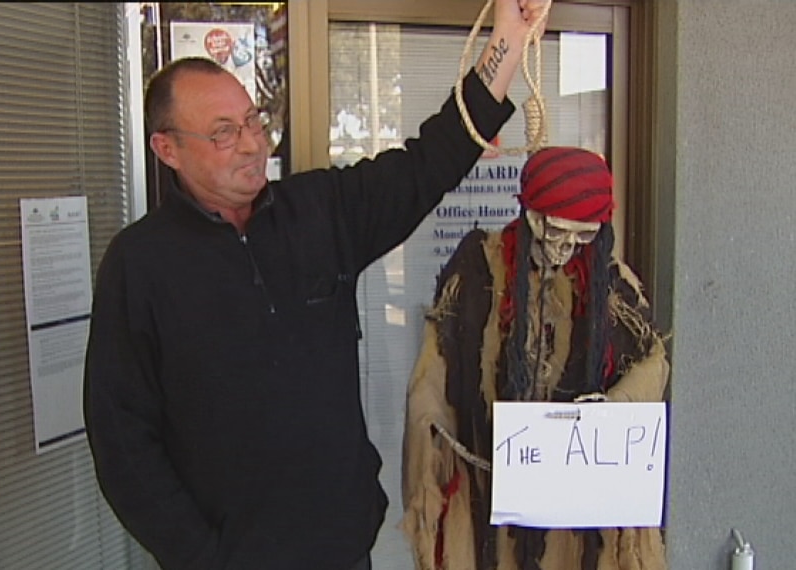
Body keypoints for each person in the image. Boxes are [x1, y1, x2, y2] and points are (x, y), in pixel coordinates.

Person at [82, 1, 550, 568]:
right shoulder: (140, 264)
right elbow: (121, 440)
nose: (254, 144)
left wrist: (507, 41)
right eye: (224, 133)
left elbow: (429, 163)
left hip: (344, 551)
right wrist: (202, 556)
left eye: (253, 120)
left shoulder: (320, 213)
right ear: (167, 148)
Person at [401, 147, 670, 569]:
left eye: (584, 236)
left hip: (578, 517)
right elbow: (433, 373)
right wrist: (436, 435)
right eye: (556, 232)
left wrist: (615, 406)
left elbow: (652, 360)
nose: (565, 250)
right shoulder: (477, 270)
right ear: (529, 216)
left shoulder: (611, 283)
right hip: (490, 497)